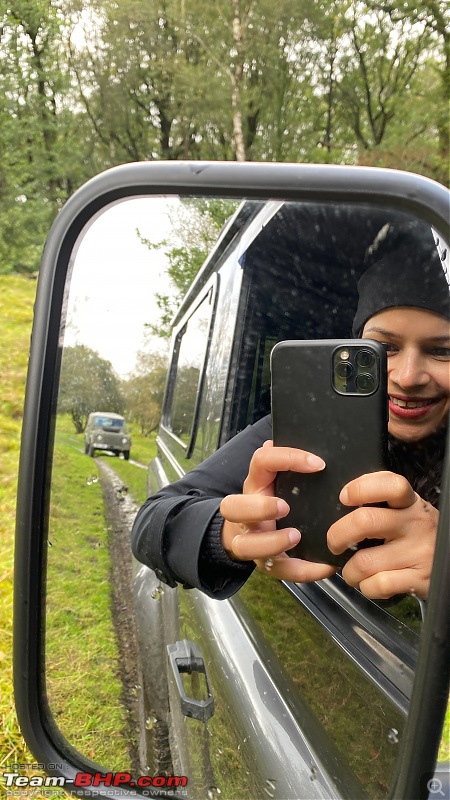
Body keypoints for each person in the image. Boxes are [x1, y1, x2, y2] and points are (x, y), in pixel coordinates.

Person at [131, 223, 450, 601]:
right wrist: (230, 533)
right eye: (384, 349)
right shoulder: (303, 431)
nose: (409, 377)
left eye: (442, 350)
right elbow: (151, 522)